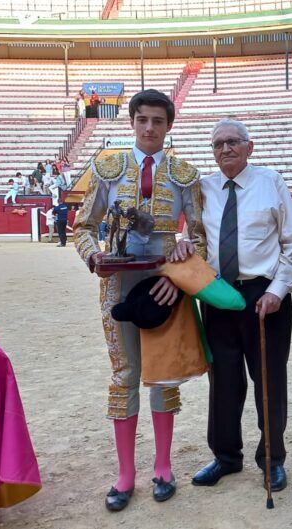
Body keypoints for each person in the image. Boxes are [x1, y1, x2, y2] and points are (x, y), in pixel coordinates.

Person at [72, 89, 206, 512]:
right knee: (125, 373)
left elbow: (200, 235)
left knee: (163, 373)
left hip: (165, 284)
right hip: (118, 283)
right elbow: (83, 227)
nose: (150, 128)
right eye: (143, 120)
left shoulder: (185, 173)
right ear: (132, 122)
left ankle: (163, 466)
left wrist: (183, 267)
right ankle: (126, 473)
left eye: (158, 122)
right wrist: (94, 256)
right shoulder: (108, 167)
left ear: (169, 126)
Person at [180, 118, 292, 494]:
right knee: (223, 380)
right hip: (218, 295)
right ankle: (226, 456)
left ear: (250, 147)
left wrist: (277, 291)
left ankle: (272, 459)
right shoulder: (202, 188)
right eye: (218, 144)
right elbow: (195, 235)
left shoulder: (271, 182)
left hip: (263, 295)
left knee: (269, 378)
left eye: (233, 142)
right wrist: (183, 243)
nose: (225, 149)